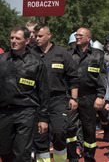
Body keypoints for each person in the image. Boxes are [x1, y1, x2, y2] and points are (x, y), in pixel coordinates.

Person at [0, 26, 49, 162]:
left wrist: (43, 118)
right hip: (4, 113)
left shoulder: (36, 63)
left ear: (27, 41)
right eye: (11, 38)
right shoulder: (1, 60)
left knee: (22, 153)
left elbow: (43, 92)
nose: (13, 41)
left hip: (26, 112)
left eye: (17, 38)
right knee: (4, 151)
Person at [31, 24, 79, 162]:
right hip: (37, 100)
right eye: (35, 36)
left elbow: (73, 78)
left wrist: (74, 98)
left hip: (58, 99)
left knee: (59, 132)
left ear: (49, 35)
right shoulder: (31, 54)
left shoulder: (62, 53)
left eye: (40, 36)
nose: (37, 39)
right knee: (40, 137)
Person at [70, 27, 107, 162]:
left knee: (89, 129)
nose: (77, 37)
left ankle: (89, 156)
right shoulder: (70, 55)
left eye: (80, 35)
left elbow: (102, 76)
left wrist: (100, 96)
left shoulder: (98, 55)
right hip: (72, 98)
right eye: (76, 35)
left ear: (88, 38)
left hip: (90, 97)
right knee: (70, 128)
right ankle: (73, 156)